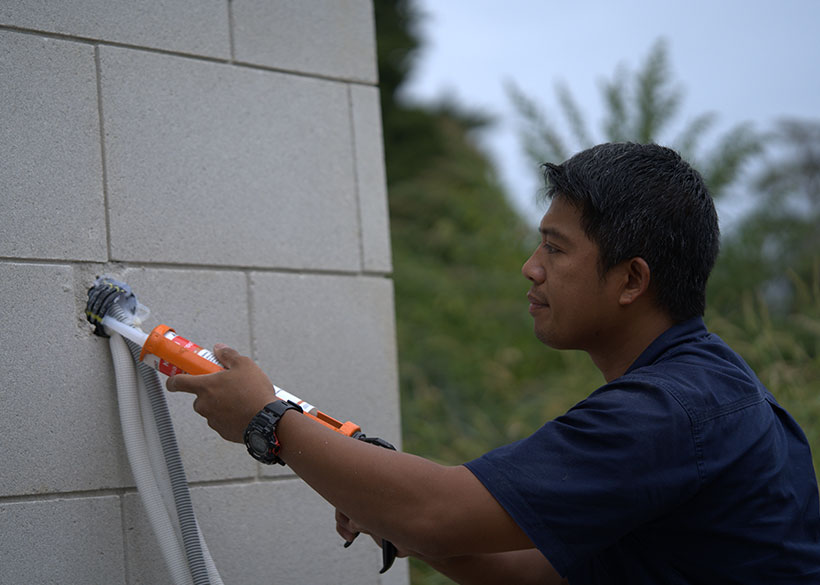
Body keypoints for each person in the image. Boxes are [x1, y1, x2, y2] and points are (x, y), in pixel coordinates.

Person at [166, 143, 820, 584]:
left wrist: (267, 419)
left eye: (555, 249)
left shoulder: (669, 412)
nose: (531, 268)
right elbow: (530, 572)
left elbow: (436, 510)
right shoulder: (710, 385)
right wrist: (390, 510)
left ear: (631, 279)